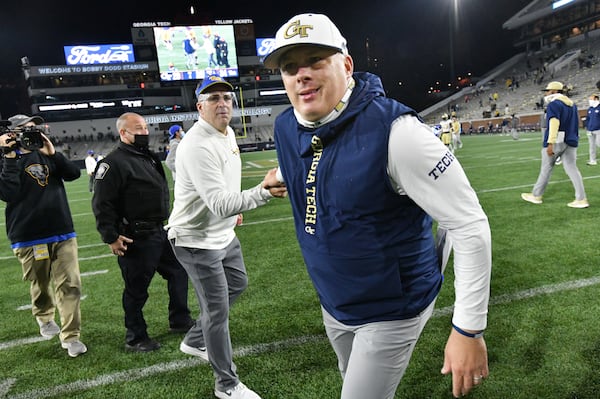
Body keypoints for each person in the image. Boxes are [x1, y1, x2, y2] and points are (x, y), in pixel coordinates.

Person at [263, 13, 491, 399]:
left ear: (346, 65)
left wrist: (468, 328)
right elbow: (317, 159)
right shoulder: (287, 126)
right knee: (350, 377)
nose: (300, 75)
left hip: (390, 307)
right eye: (289, 67)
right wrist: (283, 176)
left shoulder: (399, 135)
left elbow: (469, 225)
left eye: (315, 60)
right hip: (334, 300)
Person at [165, 74, 286, 399]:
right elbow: (218, 204)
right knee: (217, 314)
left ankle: (193, 339)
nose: (223, 103)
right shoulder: (197, 145)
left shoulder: (227, 131)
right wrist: (261, 192)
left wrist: (236, 207)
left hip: (223, 232)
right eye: (214, 98)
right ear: (200, 106)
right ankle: (227, 385)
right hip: (195, 240)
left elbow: (224, 193)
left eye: (227, 98)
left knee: (238, 283)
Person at [91, 112, 194, 353]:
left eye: (146, 127)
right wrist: (111, 236)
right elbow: (101, 204)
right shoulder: (112, 163)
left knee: (179, 271)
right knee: (137, 289)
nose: (145, 132)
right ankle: (135, 336)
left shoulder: (146, 157)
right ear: (123, 133)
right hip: (135, 237)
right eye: (138, 128)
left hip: (159, 232)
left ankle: (179, 319)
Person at [0, 114, 87, 357]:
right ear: (13, 133)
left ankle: (71, 336)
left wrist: (54, 153)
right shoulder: (5, 158)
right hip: (29, 235)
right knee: (40, 283)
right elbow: (7, 192)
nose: (33, 131)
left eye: (35, 127)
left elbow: (73, 174)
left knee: (70, 285)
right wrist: (8, 157)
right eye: (26, 129)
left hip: (62, 231)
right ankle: (44, 315)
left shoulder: (46, 153)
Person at [521, 81, 589, 208]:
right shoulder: (572, 104)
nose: (546, 93)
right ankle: (581, 198)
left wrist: (550, 143)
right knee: (573, 170)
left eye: (547, 91)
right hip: (571, 140)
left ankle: (536, 195)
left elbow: (554, 123)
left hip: (557, 141)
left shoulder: (554, 104)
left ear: (554, 91)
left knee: (546, 169)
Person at [585, 94, 600, 165]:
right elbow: (588, 119)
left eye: (591, 99)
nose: (590, 101)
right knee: (591, 146)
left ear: (596, 99)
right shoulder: (590, 109)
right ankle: (592, 160)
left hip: (598, 130)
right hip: (590, 130)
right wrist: (587, 128)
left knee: (598, 143)